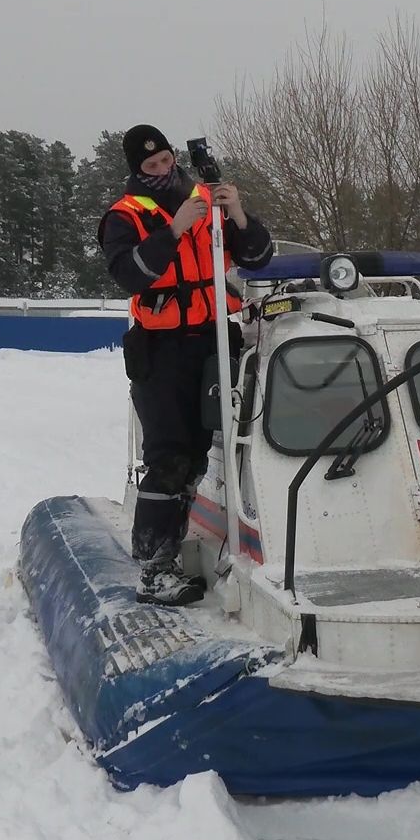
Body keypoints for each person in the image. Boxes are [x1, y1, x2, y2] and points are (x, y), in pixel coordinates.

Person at [99, 124, 274, 605]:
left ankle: (219, 541)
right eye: (150, 165)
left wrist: (236, 211)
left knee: (202, 452)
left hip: (215, 339)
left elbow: (257, 257)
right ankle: (154, 567)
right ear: (137, 169)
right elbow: (128, 274)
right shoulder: (126, 215)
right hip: (161, 349)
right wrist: (174, 228)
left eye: (166, 161)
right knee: (169, 456)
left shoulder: (206, 197)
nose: (162, 169)